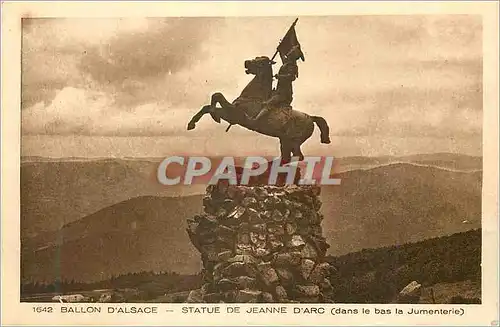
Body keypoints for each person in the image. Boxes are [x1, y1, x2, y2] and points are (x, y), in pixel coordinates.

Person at [250, 45, 304, 122]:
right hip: (278, 90)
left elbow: (292, 77)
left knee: (268, 104)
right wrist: (280, 49)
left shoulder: (292, 66)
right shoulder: (287, 63)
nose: (290, 51)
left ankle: (255, 120)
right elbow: (282, 55)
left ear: (293, 55)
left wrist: (279, 76)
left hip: (284, 92)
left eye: (292, 51)